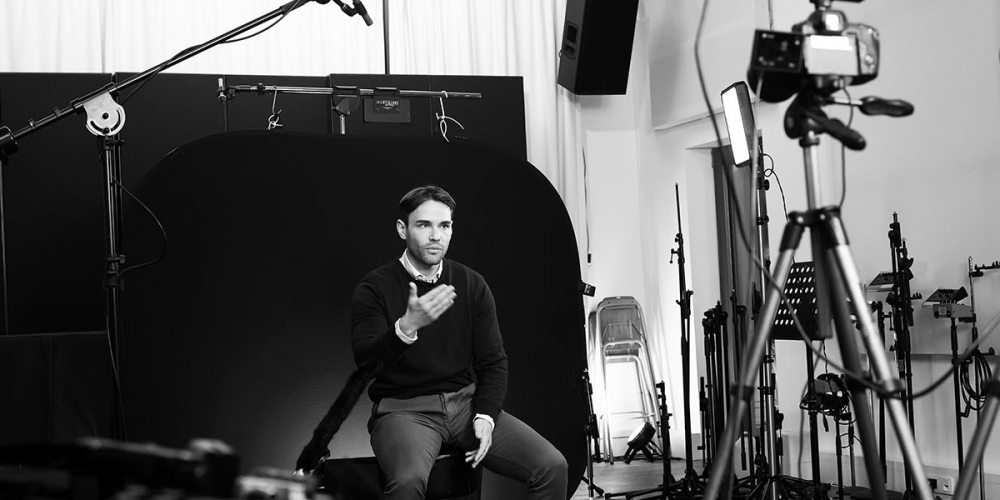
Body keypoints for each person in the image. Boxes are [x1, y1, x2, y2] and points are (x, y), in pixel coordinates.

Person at [351, 185, 568, 500]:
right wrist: (406, 327)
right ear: (402, 229)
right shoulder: (374, 288)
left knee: (552, 466)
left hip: (466, 407)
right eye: (424, 225)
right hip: (404, 410)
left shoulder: (471, 283)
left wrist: (485, 415)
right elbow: (365, 361)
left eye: (444, 225)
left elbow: (493, 362)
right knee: (408, 482)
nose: (435, 236)